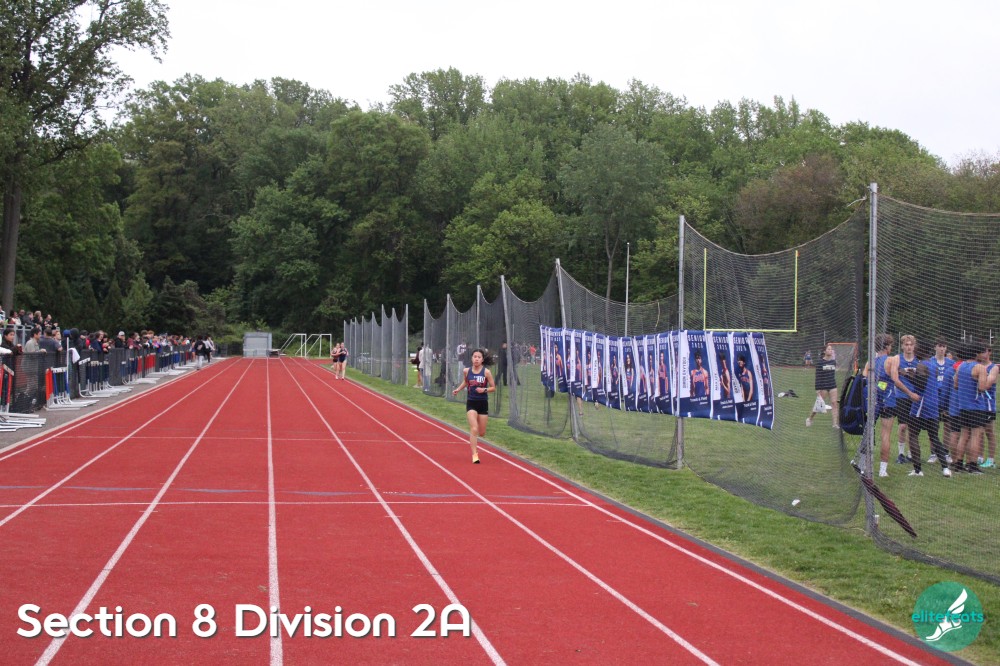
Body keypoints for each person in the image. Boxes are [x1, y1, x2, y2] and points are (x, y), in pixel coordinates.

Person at [451, 349, 495, 464]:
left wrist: (484, 389)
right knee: (474, 428)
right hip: (471, 402)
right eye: (475, 357)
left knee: (482, 432)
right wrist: (458, 389)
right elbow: (466, 382)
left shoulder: (486, 372)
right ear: (471, 358)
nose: (476, 359)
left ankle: (476, 444)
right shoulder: (466, 371)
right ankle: (475, 454)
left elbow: (493, 387)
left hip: (483, 403)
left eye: (479, 357)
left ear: (482, 360)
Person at [806, 345, 839, 427]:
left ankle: (835, 424)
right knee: (819, 405)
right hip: (823, 387)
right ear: (824, 351)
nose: (830, 350)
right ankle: (810, 418)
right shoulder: (820, 363)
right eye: (829, 349)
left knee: (834, 403)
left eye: (831, 349)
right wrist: (817, 389)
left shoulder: (833, 362)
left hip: (832, 385)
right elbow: (818, 376)